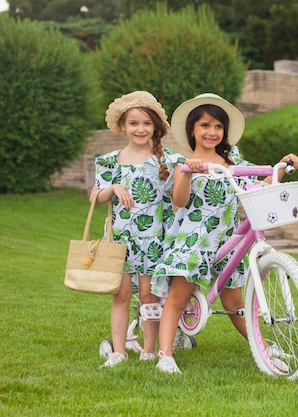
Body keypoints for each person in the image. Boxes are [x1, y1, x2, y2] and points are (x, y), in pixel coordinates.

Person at [151, 93, 298, 373]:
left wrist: (281, 168)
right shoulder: (185, 161)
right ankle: (165, 356)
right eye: (205, 125)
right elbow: (179, 201)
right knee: (178, 297)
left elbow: (255, 188)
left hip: (227, 240)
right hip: (194, 239)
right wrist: (187, 172)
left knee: (235, 303)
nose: (212, 132)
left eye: (218, 126)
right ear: (192, 129)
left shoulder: (233, 161)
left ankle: (265, 348)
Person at [94, 91, 183, 367]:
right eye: (134, 123)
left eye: (146, 123)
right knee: (120, 293)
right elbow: (95, 197)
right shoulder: (111, 160)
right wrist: (113, 187)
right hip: (120, 237)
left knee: (149, 294)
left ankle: (149, 349)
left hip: (153, 238)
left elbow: (180, 195)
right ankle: (119, 351)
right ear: (123, 126)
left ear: (155, 126)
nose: (140, 129)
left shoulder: (167, 159)